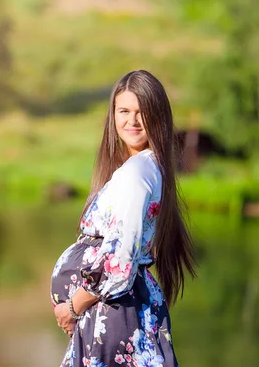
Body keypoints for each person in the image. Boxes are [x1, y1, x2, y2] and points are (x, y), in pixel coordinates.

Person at [50, 70, 196, 367]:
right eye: (124, 111)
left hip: (112, 312)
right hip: (115, 310)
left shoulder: (137, 172)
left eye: (143, 112)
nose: (132, 120)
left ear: (159, 117)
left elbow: (121, 257)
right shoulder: (144, 167)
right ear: (113, 115)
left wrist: (73, 306)